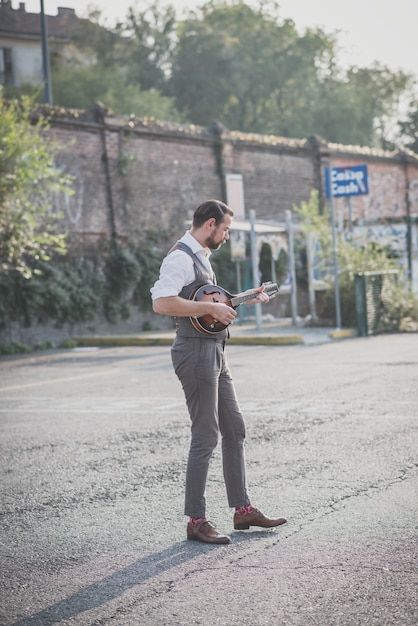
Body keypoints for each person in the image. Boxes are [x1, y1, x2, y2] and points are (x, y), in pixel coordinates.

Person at [151, 199, 287, 544]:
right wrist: (207, 307)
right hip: (194, 353)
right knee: (206, 434)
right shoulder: (180, 257)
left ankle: (242, 511)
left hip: (214, 351)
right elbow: (161, 301)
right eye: (225, 228)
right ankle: (196, 521)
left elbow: (210, 306)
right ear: (210, 224)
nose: (226, 235)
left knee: (235, 428)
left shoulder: (202, 259)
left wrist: (244, 299)